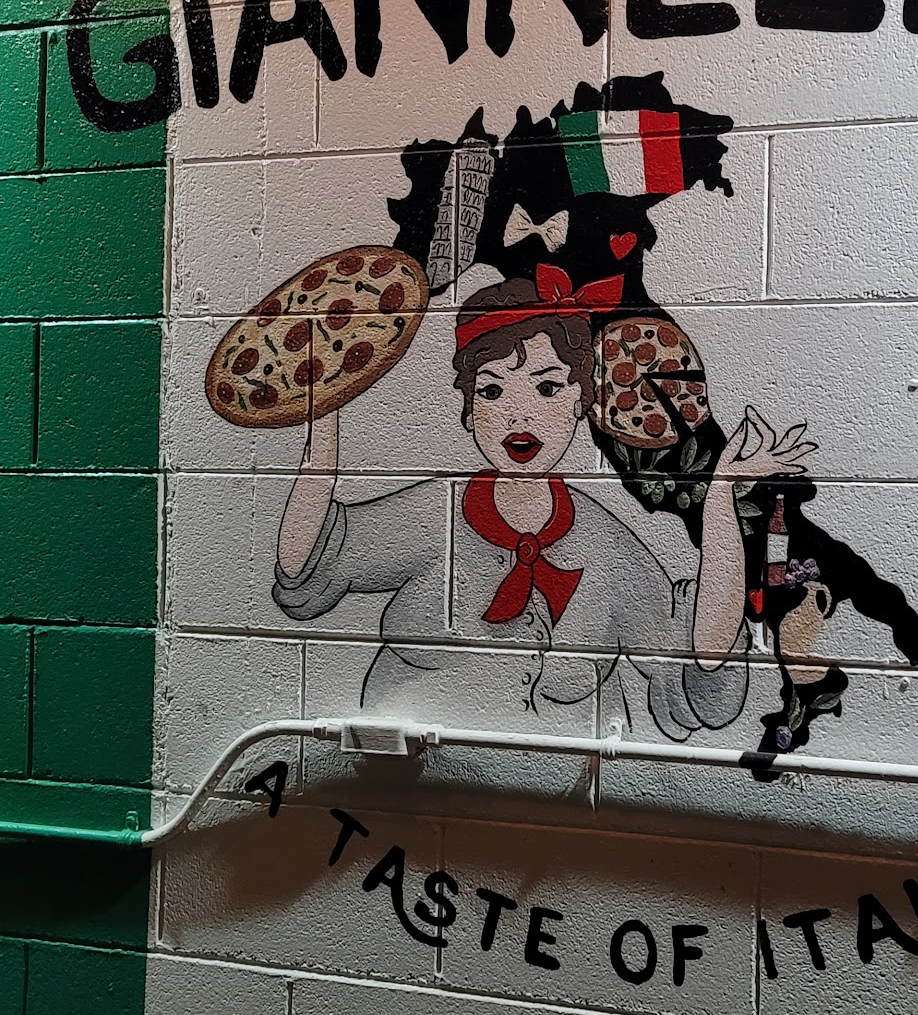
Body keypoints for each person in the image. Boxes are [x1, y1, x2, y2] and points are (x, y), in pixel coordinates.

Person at [272, 266, 815, 739]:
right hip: (406, 780)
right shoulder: (433, 514)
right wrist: (323, 435)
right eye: (492, 392)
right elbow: (309, 560)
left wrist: (720, 495)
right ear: (469, 412)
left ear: (582, 403)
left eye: (547, 388)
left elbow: (699, 655)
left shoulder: (605, 546)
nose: (519, 415)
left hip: (560, 793)